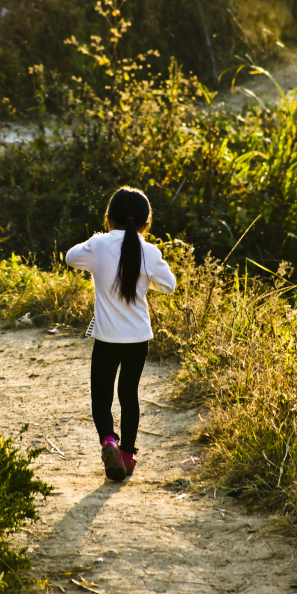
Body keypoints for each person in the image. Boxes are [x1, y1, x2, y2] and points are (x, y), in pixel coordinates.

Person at [65, 187, 177, 481]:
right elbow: (169, 285)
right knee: (129, 397)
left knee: (101, 398)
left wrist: (95, 242)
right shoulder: (149, 252)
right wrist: (145, 280)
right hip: (138, 339)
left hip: (106, 340)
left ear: (108, 218)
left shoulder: (99, 245)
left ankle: (108, 441)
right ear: (146, 222)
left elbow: (69, 257)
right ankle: (126, 455)